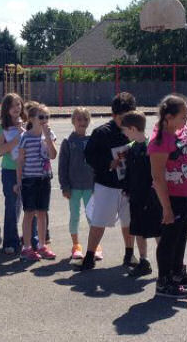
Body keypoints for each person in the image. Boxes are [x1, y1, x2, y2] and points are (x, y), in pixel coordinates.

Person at [148, 95, 187, 298]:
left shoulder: (177, 133)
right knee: (169, 240)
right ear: (169, 117)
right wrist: (167, 208)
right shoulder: (159, 142)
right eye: (183, 117)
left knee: (181, 236)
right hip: (172, 198)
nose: (186, 121)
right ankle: (164, 282)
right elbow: (157, 177)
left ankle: (177, 273)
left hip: (186, 194)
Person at [77, 92, 138, 271]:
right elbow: (89, 156)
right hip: (106, 184)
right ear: (113, 116)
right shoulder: (101, 133)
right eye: (122, 118)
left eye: (129, 117)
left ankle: (129, 253)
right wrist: (107, 163)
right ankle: (89, 256)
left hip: (127, 185)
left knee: (128, 222)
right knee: (99, 221)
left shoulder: (134, 130)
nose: (126, 121)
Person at [15, 103, 58, 261]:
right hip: (29, 180)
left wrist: (47, 137)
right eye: (41, 117)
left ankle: (42, 245)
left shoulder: (49, 134)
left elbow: (53, 155)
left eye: (47, 117)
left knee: (42, 212)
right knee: (29, 213)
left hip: (44, 178)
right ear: (32, 119)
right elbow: (20, 160)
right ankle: (27, 247)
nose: (45, 120)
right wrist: (18, 181)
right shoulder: (25, 137)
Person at [58, 107, 96, 261]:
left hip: (90, 187)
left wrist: (96, 185)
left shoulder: (92, 140)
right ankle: (76, 245)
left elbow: (97, 165)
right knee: (74, 217)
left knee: (92, 217)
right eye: (79, 119)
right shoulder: (68, 142)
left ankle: (94, 246)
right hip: (73, 188)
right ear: (73, 121)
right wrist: (65, 186)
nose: (82, 122)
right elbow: (62, 167)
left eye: (85, 119)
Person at [119, 111, 154, 277]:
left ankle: (165, 263)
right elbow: (129, 172)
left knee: (157, 231)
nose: (124, 133)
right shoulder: (131, 148)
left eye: (125, 130)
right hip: (135, 197)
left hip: (151, 197)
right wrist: (127, 189)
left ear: (133, 129)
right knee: (138, 229)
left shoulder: (151, 147)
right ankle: (144, 260)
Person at [0, 93, 26, 254]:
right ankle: (10, 241)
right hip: (9, 170)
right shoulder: (2, 127)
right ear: (6, 109)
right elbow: (0, 150)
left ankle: (28, 239)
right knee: (11, 205)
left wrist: (24, 131)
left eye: (18, 105)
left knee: (25, 206)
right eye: (13, 105)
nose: (16, 108)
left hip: (27, 170)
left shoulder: (26, 125)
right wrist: (17, 137)